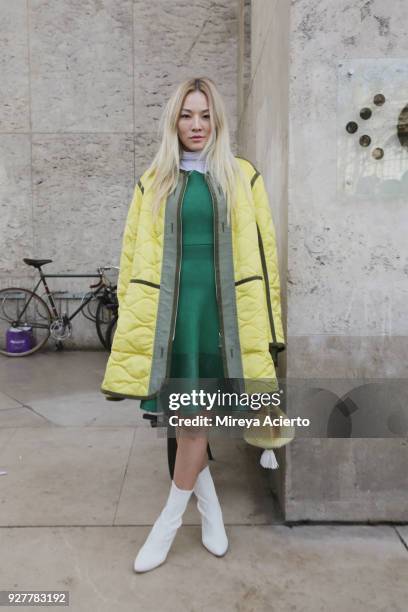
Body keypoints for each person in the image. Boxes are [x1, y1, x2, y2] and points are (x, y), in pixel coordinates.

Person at [100, 76, 286, 573]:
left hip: (223, 319)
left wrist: (270, 329)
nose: (196, 125)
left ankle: (167, 523)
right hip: (174, 321)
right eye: (187, 115)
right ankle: (211, 515)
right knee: (189, 426)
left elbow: (265, 256)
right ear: (174, 121)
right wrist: (130, 323)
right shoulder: (154, 180)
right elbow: (130, 256)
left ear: (217, 120)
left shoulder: (241, 176)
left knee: (191, 427)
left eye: (205, 115)